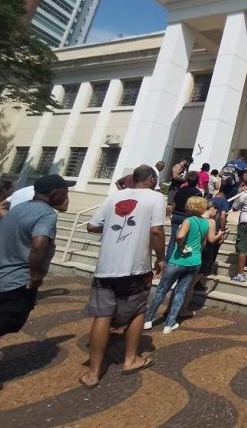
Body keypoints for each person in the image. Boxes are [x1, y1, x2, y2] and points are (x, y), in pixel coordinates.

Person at [80, 165, 165, 387]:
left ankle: (93, 372)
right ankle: (130, 359)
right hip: (134, 267)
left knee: (102, 316)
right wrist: (161, 257)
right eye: (155, 178)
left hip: (105, 267)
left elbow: (92, 226)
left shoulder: (114, 196)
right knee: (137, 311)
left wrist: (113, 227)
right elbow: (156, 230)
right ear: (150, 179)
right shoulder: (156, 197)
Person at [0, 175, 72, 344]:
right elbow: (38, 245)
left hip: (4, 273)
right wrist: (35, 276)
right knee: (7, 321)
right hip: (17, 281)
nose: (67, 196)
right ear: (54, 194)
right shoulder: (46, 214)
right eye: (65, 193)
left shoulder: (18, 208)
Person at [143, 196, 213, 334]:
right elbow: (203, 244)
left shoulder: (188, 220)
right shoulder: (206, 223)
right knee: (181, 292)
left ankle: (148, 319)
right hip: (195, 261)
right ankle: (170, 323)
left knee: (162, 290)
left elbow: (180, 236)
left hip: (178, 260)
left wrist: (181, 245)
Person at [167, 171, 202, 261]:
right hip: (187, 217)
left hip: (176, 215)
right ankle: (180, 259)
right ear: (197, 181)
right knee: (186, 239)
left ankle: (168, 259)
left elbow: (174, 203)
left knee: (173, 239)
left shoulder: (180, 190)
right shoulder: (197, 193)